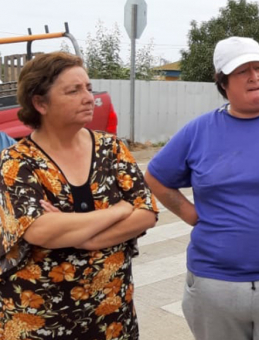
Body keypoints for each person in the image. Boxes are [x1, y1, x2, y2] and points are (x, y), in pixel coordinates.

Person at [145, 36, 259, 340]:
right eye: (242, 71)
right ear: (223, 82)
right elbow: (156, 177)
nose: (255, 76)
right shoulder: (199, 130)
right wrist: (190, 215)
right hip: (215, 286)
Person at [0, 52, 158, 339]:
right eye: (73, 91)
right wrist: (118, 211)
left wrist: (85, 237)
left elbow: (146, 211)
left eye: (88, 87)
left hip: (111, 315)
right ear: (40, 103)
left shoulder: (111, 148)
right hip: (38, 320)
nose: (88, 97)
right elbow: (38, 230)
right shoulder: (15, 161)